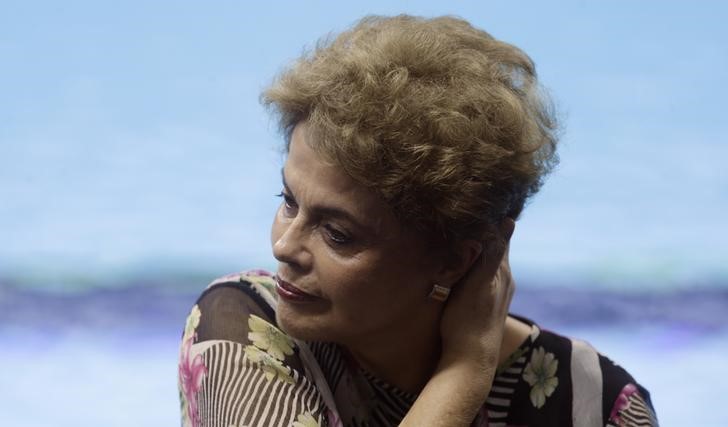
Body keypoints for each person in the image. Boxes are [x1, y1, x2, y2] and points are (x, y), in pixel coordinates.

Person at [178, 15, 658, 427]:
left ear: (455, 259)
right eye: (288, 201)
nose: (284, 245)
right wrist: (466, 370)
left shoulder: (593, 404)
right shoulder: (242, 328)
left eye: (337, 233)